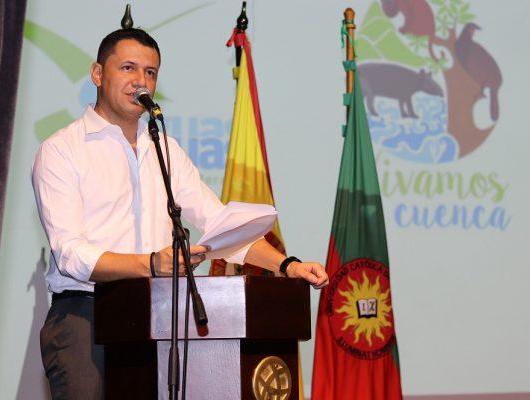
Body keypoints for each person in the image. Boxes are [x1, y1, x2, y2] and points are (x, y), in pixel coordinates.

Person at [31, 28, 328, 399]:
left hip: (159, 313)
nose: (141, 81)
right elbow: (70, 255)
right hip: (85, 313)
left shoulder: (164, 148)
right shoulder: (62, 150)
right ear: (97, 73)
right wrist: (151, 264)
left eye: (150, 72)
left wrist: (287, 266)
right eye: (128, 68)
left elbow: (219, 225)